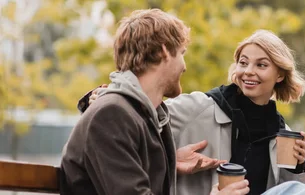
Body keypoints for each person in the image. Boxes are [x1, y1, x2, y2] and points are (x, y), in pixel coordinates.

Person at [82, 30, 305, 195]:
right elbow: (139, 116)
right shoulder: (199, 108)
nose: (248, 72)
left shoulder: (282, 133)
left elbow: (285, 187)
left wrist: (298, 166)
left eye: (261, 65)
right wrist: (101, 97)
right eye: (243, 63)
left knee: (300, 191)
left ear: (280, 75)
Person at [60, 9, 249, 195]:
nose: (184, 66)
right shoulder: (111, 115)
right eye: (181, 53)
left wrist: (169, 161)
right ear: (165, 51)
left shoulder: (145, 115)